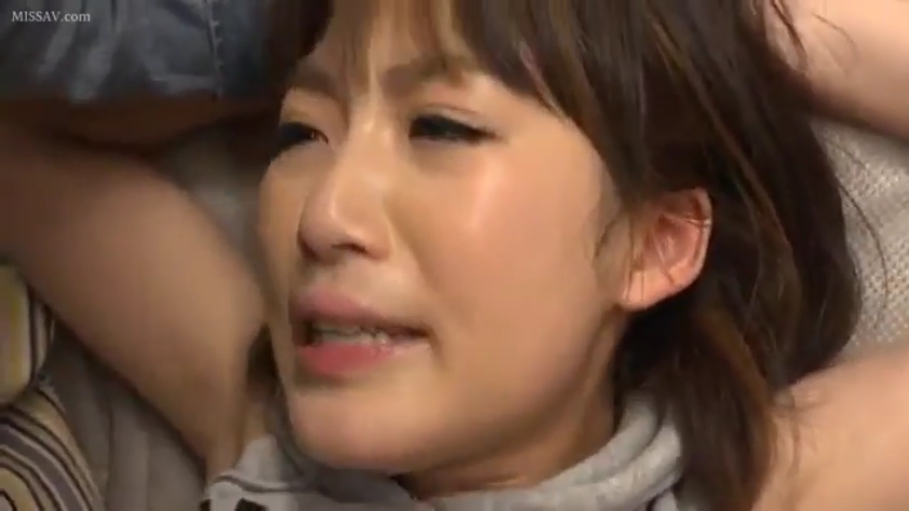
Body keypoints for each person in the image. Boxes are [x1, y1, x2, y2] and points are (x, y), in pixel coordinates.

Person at [1, 0, 907, 510]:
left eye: (440, 127)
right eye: (299, 134)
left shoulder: (752, 484)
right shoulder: (265, 436)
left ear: (653, 242)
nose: (325, 213)